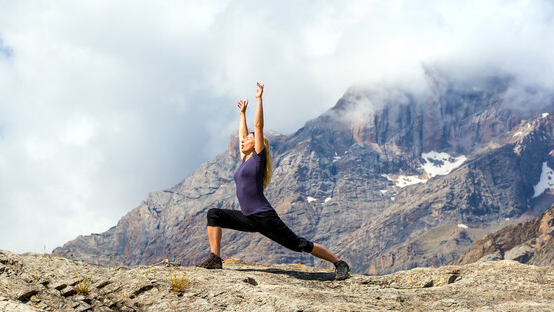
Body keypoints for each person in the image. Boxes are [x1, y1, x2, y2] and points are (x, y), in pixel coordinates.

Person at [197, 82, 350, 280]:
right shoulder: (245, 160)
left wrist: (259, 100)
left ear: (258, 144)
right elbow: (243, 134)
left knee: (298, 244)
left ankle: (339, 263)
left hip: (263, 217)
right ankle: (215, 258)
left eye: (249, 140)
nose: (243, 141)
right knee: (214, 215)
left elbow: (258, 127)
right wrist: (242, 114)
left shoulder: (258, 158)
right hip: (248, 217)